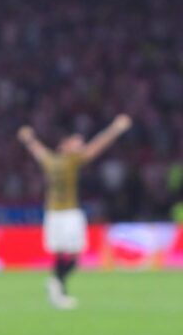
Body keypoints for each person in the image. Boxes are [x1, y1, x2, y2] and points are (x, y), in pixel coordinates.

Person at [18, 115, 132, 309]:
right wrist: (115, 128)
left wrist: (28, 138)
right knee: (72, 254)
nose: (80, 145)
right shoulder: (72, 160)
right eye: (76, 142)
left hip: (53, 213)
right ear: (64, 145)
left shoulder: (50, 160)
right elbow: (98, 146)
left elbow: (36, 149)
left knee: (63, 253)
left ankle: (57, 287)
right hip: (68, 213)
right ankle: (57, 284)